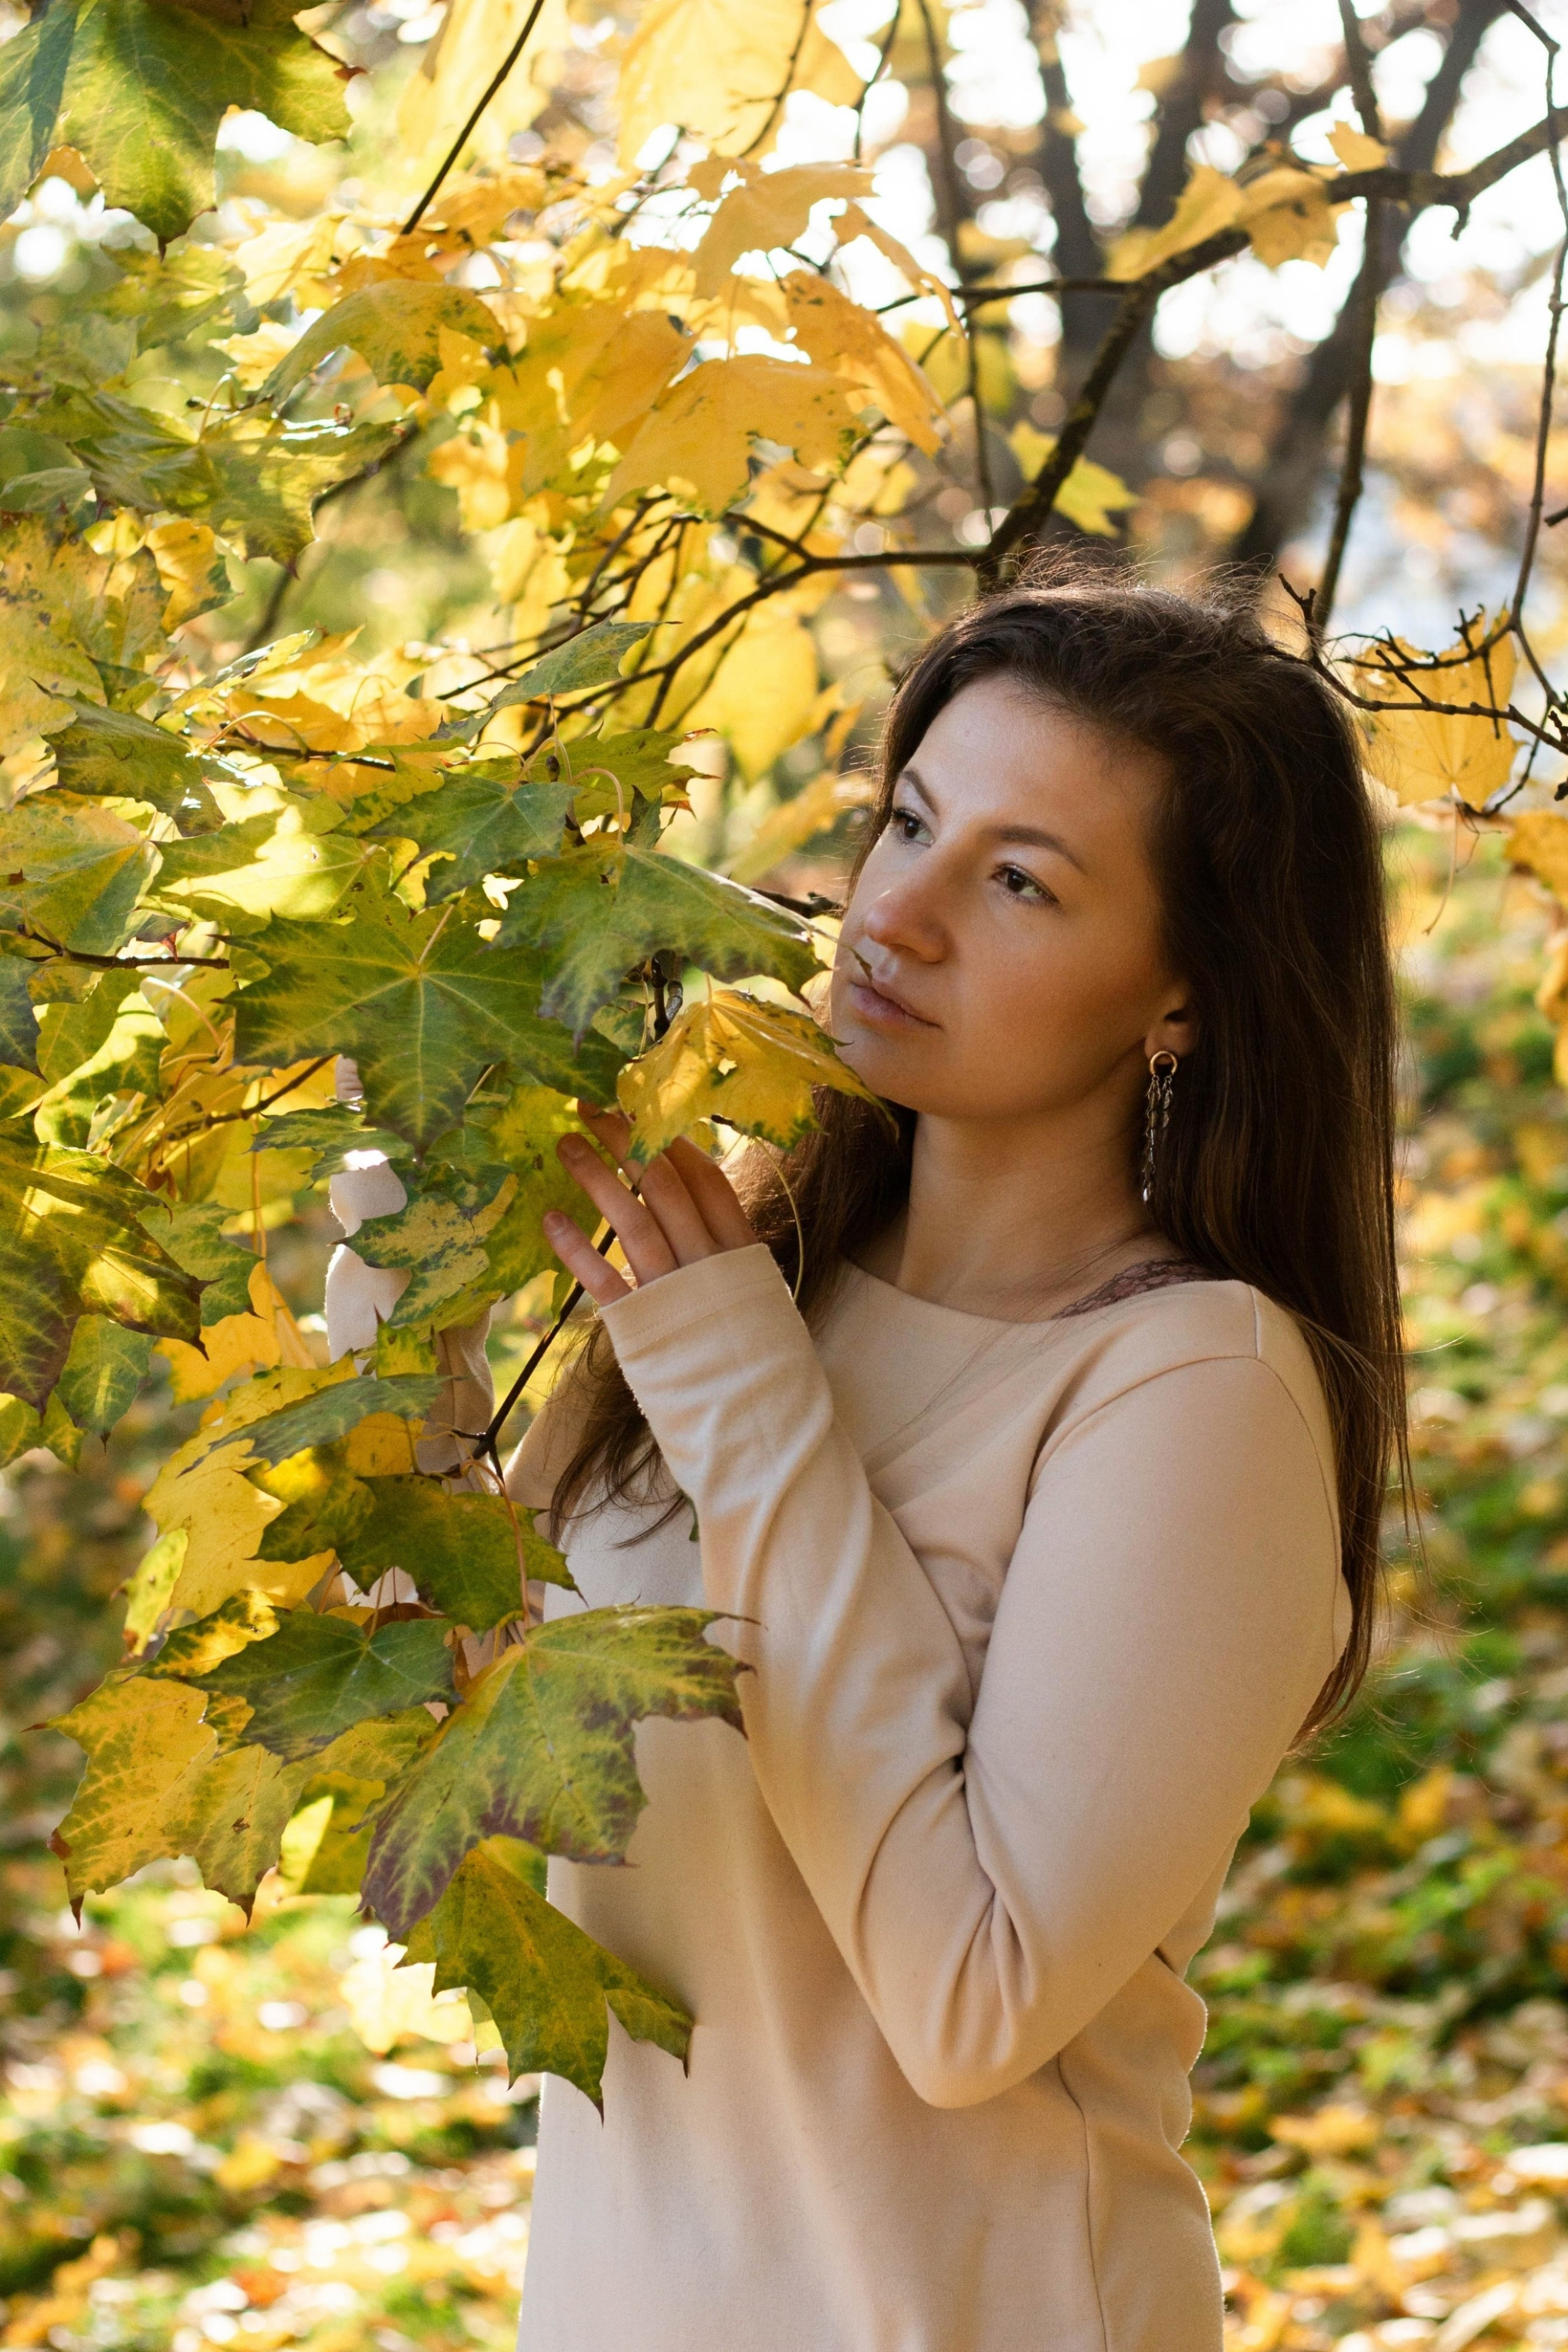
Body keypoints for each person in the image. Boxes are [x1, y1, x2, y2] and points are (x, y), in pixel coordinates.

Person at [326, 570, 1406, 2352]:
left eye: (1020, 881)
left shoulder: (1191, 1387)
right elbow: (434, 1795)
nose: (895, 912)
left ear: (1186, 1000)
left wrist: (737, 1388)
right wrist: (405, 1272)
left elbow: (973, 2001)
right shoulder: (751, 1284)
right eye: (911, 817)